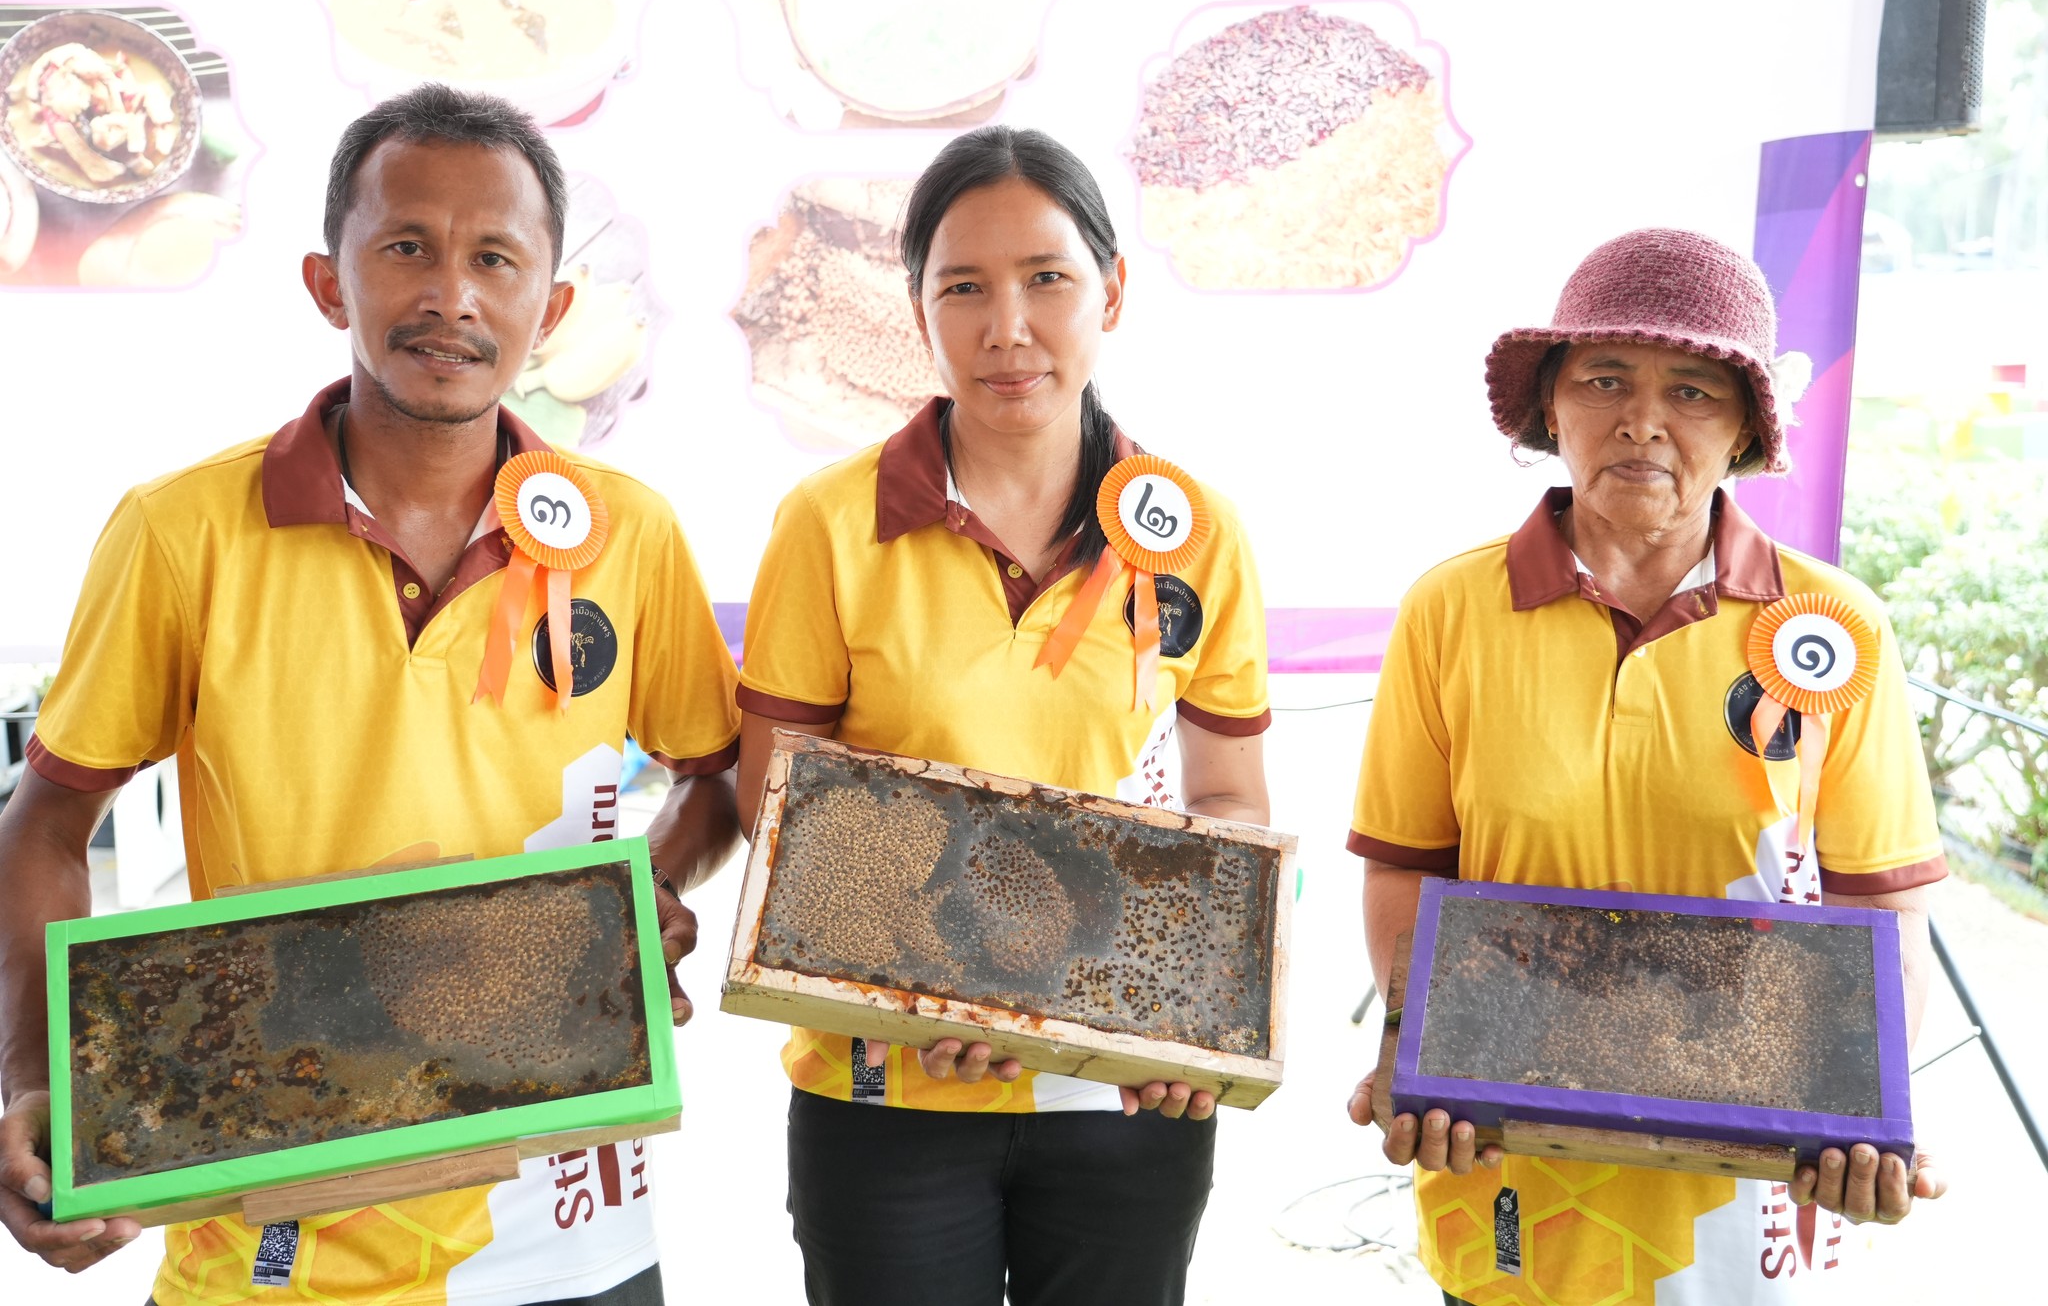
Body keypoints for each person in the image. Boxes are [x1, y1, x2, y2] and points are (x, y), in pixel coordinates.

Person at [0, 84, 742, 1306]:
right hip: (271, 1231)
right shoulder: (181, 532)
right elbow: (46, 822)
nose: (452, 294)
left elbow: (718, 776)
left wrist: (638, 897)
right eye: (406, 247)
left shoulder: (630, 534)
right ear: (328, 283)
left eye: (494, 258)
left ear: (550, 309)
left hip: (569, 1218)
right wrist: (40, 1082)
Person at [1342, 228, 1948, 1305]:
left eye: (1693, 390)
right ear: (1550, 404)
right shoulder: (1449, 610)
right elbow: (1406, 865)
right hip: (1509, 1158)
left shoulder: (1831, 625)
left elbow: (1881, 901)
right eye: (1604, 379)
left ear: (1745, 425)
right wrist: (1418, 1040)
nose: (1642, 420)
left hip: (1738, 1185)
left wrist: (1864, 1109)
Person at [732, 125, 1273, 1306]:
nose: (1006, 327)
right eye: (963, 288)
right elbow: (778, 804)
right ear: (918, 309)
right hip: (885, 1082)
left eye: (1045, 280)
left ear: (1111, 292)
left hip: (1121, 1091)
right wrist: (934, 973)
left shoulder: (1196, 533)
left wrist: (1187, 1010)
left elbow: (1226, 797)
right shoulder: (828, 524)